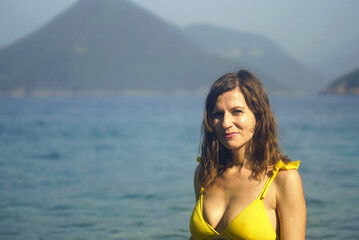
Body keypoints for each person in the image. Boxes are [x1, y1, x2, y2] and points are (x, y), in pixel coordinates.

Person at [189, 70, 306, 240]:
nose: (226, 123)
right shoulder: (205, 173)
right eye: (218, 114)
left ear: (258, 115)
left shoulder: (283, 179)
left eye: (236, 111)